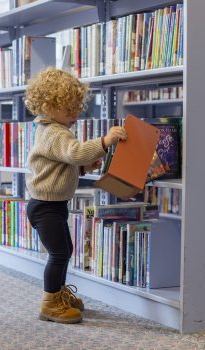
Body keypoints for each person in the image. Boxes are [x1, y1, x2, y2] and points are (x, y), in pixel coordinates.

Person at [25, 67, 126, 324]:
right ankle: (50, 303)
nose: (75, 114)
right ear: (48, 107)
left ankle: (57, 294)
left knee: (65, 250)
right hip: (44, 206)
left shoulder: (52, 130)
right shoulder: (54, 132)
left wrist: (81, 168)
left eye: (76, 108)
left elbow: (62, 164)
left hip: (52, 204)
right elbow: (74, 152)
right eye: (68, 109)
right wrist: (105, 141)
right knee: (59, 254)